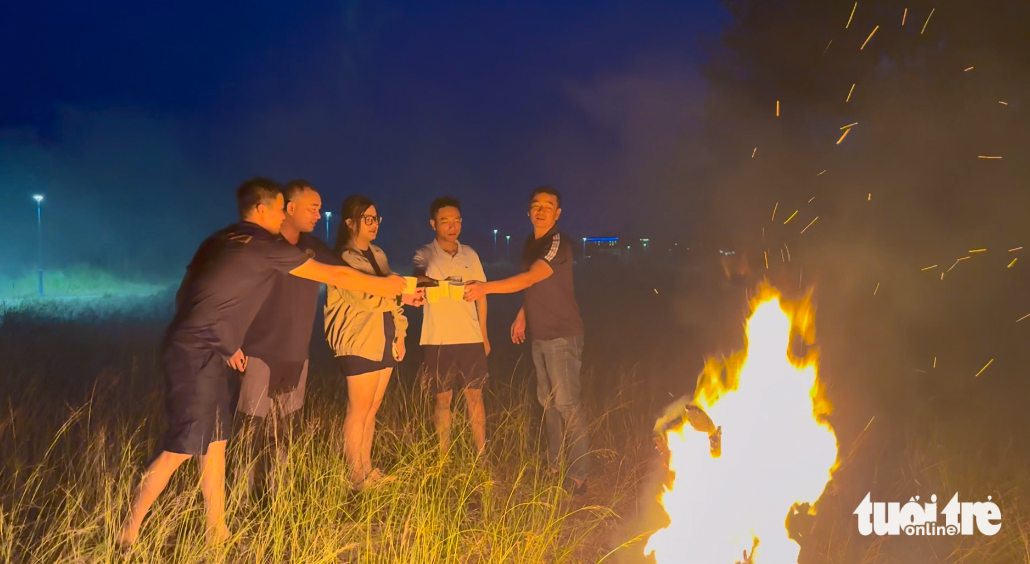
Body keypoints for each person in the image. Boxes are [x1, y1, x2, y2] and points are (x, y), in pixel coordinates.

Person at [117, 178, 406, 547]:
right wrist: (387, 287)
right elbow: (333, 274)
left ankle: (216, 530)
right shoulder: (263, 245)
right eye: (283, 205)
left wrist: (225, 341)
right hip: (197, 354)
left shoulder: (220, 240)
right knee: (181, 448)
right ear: (263, 210)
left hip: (203, 348)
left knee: (215, 445)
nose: (294, 212)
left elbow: (187, 294)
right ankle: (127, 532)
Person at [463, 186, 589, 494]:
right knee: (547, 403)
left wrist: (485, 288)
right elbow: (536, 286)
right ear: (528, 211)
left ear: (557, 214)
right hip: (541, 335)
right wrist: (523, 314)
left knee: (567, 404)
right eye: (536, 205)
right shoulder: (531, 243)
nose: (541, 210)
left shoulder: (557, 244)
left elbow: (532, 277)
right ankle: (554, 464)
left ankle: (580, 473)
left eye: (549, 206)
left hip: (562, 335)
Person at [235, 180, 337, 494]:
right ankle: (240, 497)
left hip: (297, 355)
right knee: (250, 429)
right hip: (259, 352)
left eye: (321, 208)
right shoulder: (262, 246)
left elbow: (347, 276)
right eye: (313, 208)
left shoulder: (316, 248)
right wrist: (233, 340)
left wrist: (399, 290)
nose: (319, 214)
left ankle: (278, 497)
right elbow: (235, 294)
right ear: (289, 208)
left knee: (286, 430)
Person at [325, 195, 421, 490]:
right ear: (350, 223)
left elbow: (393, 293)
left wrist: (401, 333)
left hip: (384, 337)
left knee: (373, 407)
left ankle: (366, 469)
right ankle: (355, 477)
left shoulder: (377, 254)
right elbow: (364, 298)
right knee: (359, 409)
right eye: (367, 218)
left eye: (376, 218)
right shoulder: (343, 258)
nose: (373, 224)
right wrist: (398, 295)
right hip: (358, 340)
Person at [412, 197, 490, 456]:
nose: (452, 226)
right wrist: (440, 283)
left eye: (456, 221)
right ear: (433, 223)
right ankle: (443, 457)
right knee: (442, 399)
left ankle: (481, 456)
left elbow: (482, 294)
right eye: (445, 221)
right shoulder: (425, 253)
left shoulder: (470, 254)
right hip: (438, 339)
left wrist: (484, 335)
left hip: (470, 337)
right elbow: (418, 277)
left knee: (475, 398)